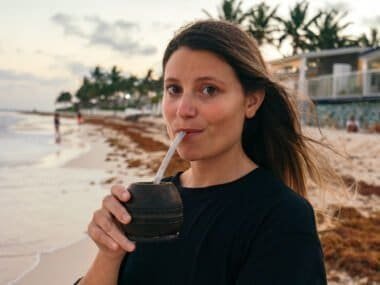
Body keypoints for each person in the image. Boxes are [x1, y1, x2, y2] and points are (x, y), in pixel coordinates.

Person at [76, 20, 332, 285]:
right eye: (174, 89)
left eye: (208, 90)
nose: (183, 110)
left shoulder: (281, 217)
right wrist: (109, 253)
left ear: (252, 100)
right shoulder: (150, 205)